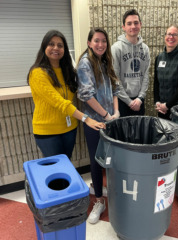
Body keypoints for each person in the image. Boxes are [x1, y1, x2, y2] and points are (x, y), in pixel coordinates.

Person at [27, 30, 105, 159]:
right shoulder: (37, 73)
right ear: (44, 47)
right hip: (48, 133)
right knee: (56, 171)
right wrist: (87, 119)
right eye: (51, 44)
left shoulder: (67, 71)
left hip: (69, 129)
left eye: (60, 45)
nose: (56, 48)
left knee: (66, 166)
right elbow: (60, 102)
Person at [77, 27, 119, 224]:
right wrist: (106, 115)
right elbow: (86, 95)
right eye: (96, 41)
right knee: (96, 159)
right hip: (95, 121)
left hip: (110, 118)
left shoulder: (106, 61)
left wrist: (116, 113)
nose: (101, 44)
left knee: (110, 158)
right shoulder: (85, 64)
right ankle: (99, 202)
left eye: (104, 41)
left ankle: (106, 189)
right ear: (89, 43)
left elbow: (115, 88)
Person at [111, 9, 150, 117]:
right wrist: (128, 101)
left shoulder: (145, 49)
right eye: (129, 23)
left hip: (139, 101)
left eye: (136, 23)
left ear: (140, 25)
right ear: (124, 27)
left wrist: (140, 98)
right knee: (123, 133)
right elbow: (115, 78)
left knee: (139, 132)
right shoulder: (116, 48)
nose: (133, 26)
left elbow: (146, 75)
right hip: (122, 101)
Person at [154, 25, 178, 120]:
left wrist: (167, 105)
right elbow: (156, 82)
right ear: (165, 36)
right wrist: (157, 102)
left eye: (175, 34)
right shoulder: (159, 57)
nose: (171, 37)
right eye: (169, 34)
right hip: (161, 108)